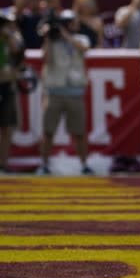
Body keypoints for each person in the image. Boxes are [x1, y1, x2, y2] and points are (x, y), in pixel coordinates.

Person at [37, 10, 92, 175]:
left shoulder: (81, 38)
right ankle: (44, 164)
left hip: (74, 92)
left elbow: (84, 48)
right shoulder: (52, 41)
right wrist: (48, 38)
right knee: (48, 131)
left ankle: (84, 164)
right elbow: (45, 59)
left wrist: (66, 35)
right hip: (54, 91)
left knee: (79, 131)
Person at [0, 12, 22, 173]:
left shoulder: (10, 39)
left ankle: (3, 163)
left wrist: (8, 36)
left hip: (7, 86)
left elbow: (17, 50)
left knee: (7, 127)